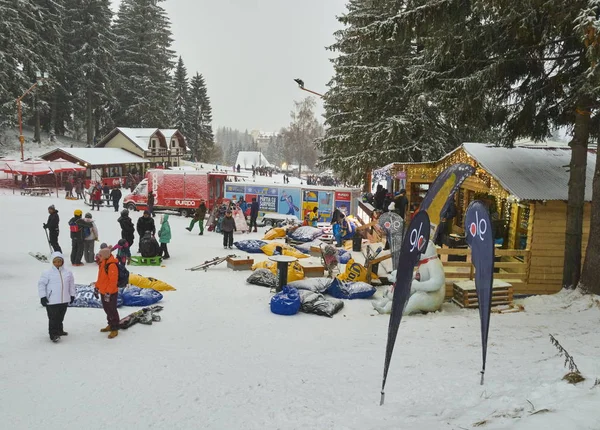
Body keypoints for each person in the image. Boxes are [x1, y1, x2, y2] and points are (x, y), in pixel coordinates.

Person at [38, 252, 76, 342]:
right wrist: (43, 296)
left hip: (64, 299)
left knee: (60, 316)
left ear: (62, 262)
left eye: (59, 261)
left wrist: (72, 295)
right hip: (52, 300)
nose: (57, 263)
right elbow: (41, 285)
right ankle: (53, 334)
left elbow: (71, 285)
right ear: (52, 262)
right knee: (53, 318)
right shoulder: (47, 273)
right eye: (55, 262)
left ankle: (59, 330)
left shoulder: (68, 272)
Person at [94, 247, 120, 339]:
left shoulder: (111, 265)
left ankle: (115, 328)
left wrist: (108, 292)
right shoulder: (102, 264)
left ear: (104, 256)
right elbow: (101, 278)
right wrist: (97, 287)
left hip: (111, 293)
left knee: (112, 310)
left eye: (100, 255)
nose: (98, 257)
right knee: (107, 309)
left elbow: (113, 281)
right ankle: (110, 324)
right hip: (103, 291)